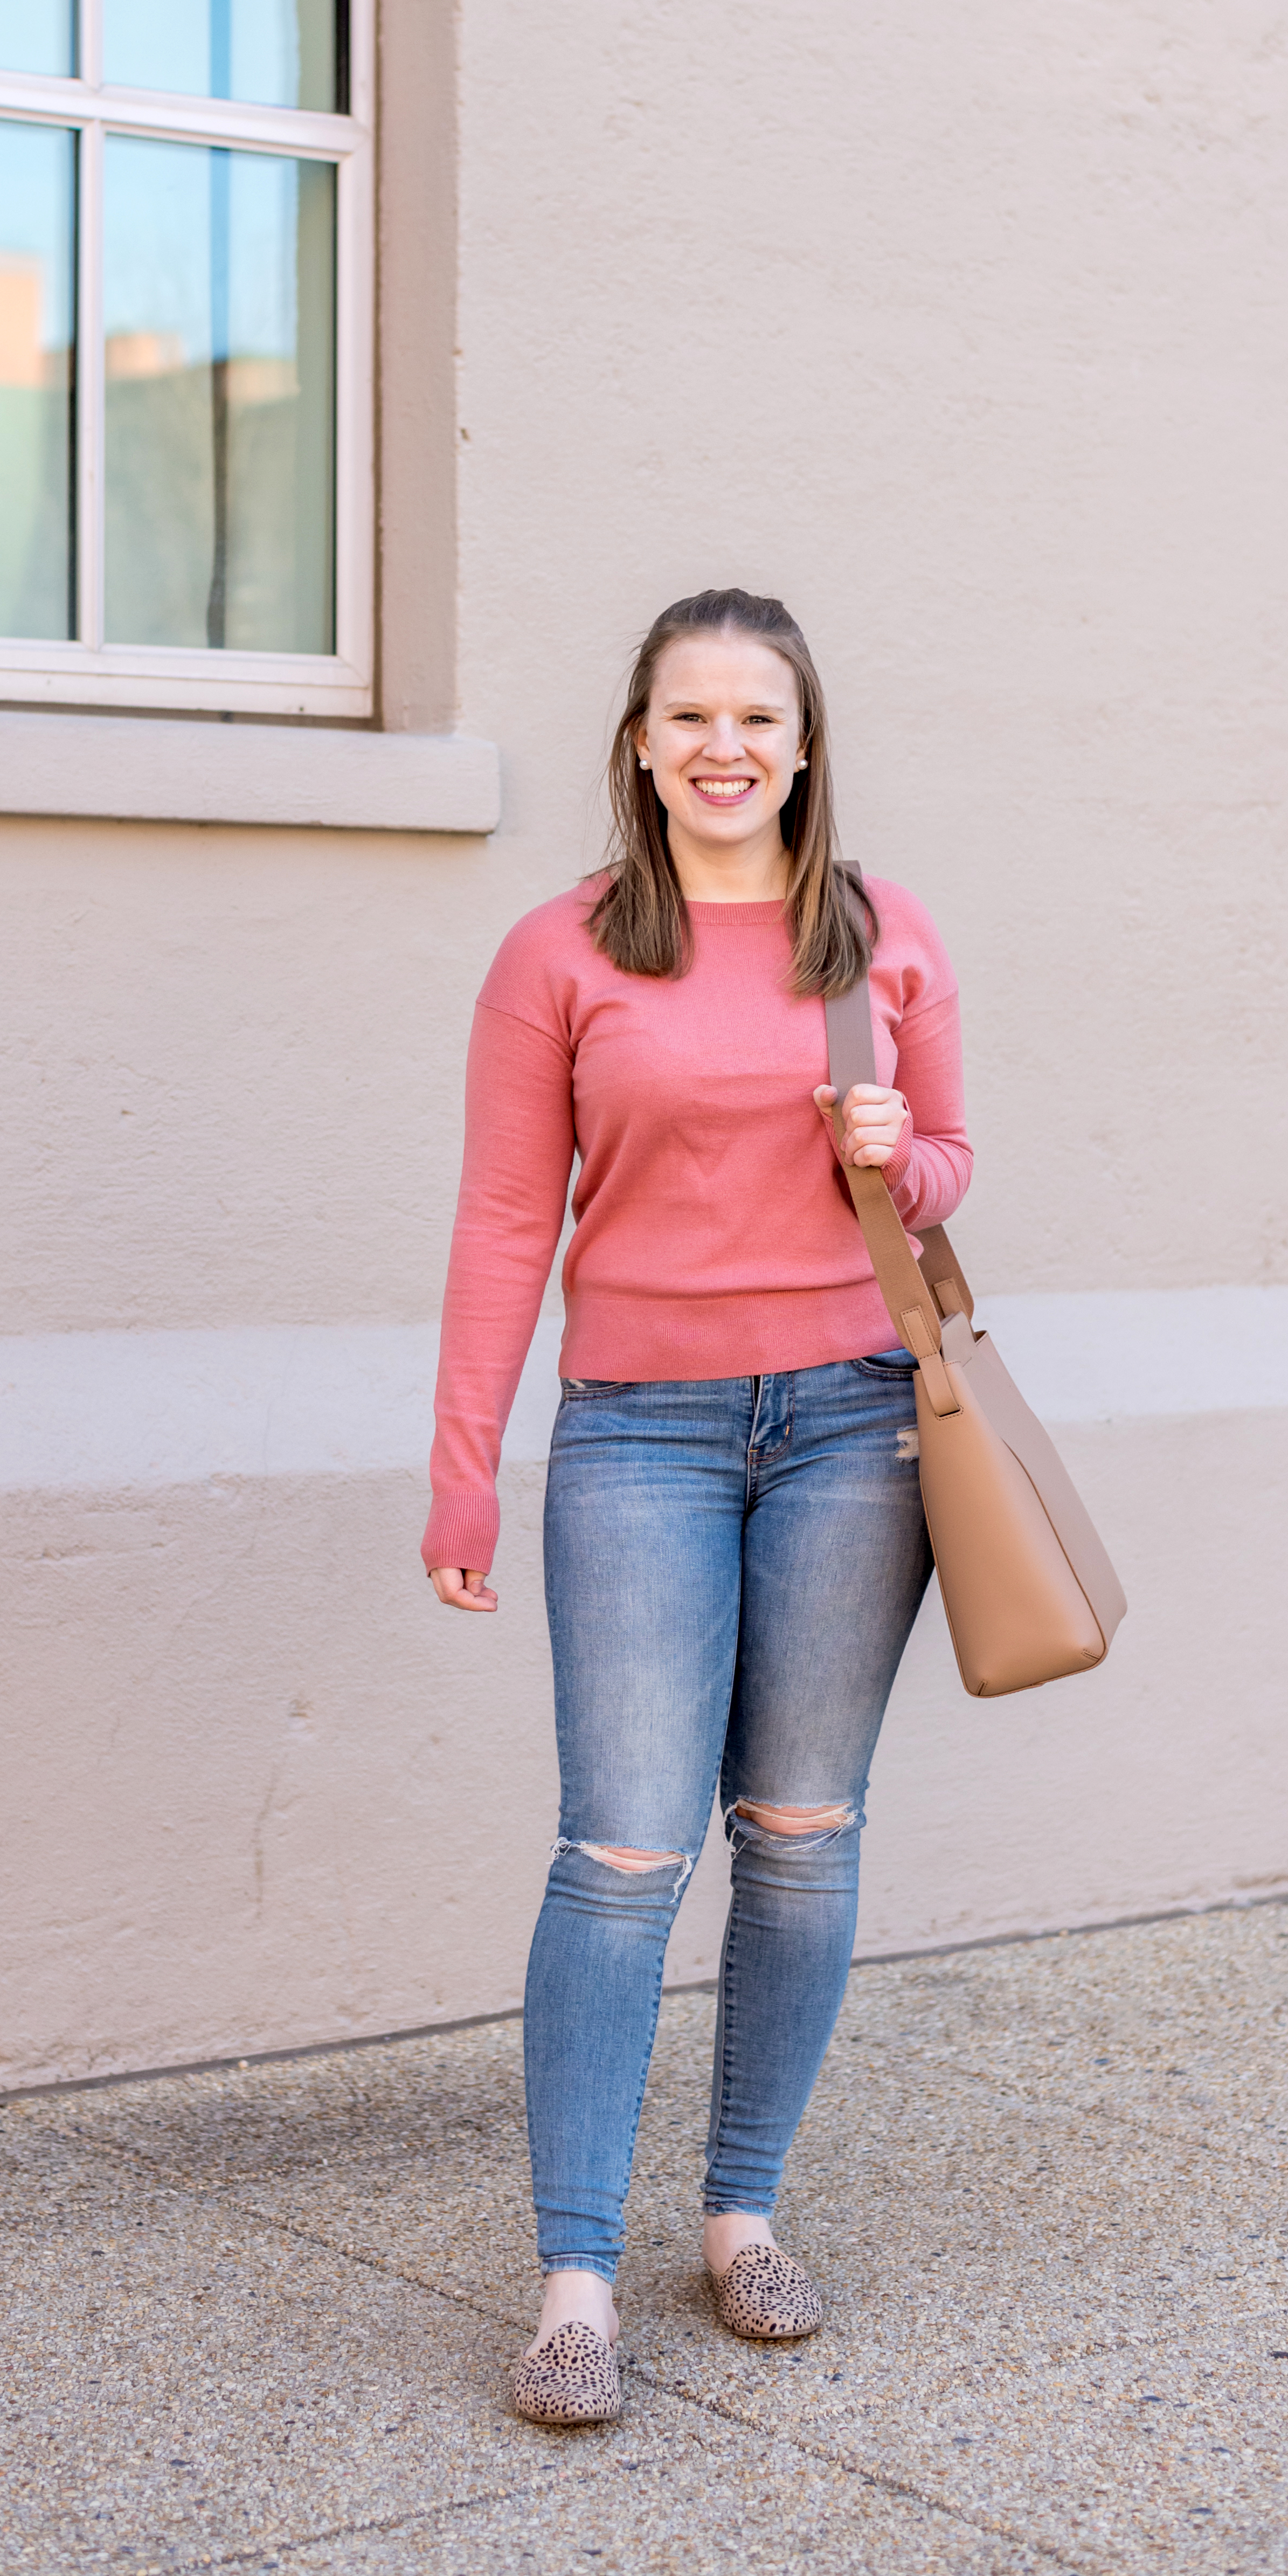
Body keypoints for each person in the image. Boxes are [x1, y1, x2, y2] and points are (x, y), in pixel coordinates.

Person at [422, 588, 972, 2426]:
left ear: (803, 742)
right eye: (687, 717)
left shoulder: (876, 936)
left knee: (802, 1829)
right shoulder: (560, 950)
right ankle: (576, 2275)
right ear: (640, 746)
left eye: (757, 715)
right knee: (625, 1851)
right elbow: (509, 1218)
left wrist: (913, 1148)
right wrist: (464, 1471)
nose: (723, 745)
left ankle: (739, 2217)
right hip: (636, 1433)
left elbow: (955, 1160)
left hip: (852, 1430)